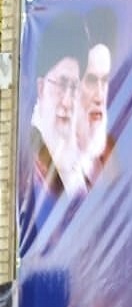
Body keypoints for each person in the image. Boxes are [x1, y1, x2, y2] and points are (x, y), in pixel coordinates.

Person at [28, 11, 89, 198]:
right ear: (41, 88)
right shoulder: (28, 160)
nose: (67, 101)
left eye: (74, 87)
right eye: (61, 85)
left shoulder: (77, 164)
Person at [76, 7, 118, 187]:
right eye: (92, 80)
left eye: (105, 80)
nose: (99, 96)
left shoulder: (111, 156)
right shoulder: (50, 162)